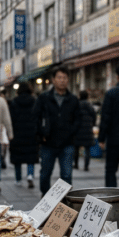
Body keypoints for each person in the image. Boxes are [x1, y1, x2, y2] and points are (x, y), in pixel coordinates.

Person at [33, 67, 80, 195]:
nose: (62, 81)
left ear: (68, 80)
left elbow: (78, 120)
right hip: (48, 142)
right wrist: (40, 134)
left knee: (66, 174)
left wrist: (72, 132)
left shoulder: (73, 99)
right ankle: (45, 198)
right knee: (45, 174)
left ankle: (65, 201)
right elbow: (35, 117)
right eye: (59, 78)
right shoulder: (44, 98)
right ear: (53, 80)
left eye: (64, 78)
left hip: (67, 143)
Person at [8, 82, 38, 188]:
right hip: (31, 133)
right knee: (31, 156)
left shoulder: (14, 102)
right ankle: (30, 175)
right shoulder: (34, 101)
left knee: (17, 158)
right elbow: (37, 117)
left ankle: (18, 179)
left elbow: (10, 119)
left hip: (17, 133)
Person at [74, 91, 96, 171]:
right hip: (87, 129)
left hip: (78, 129)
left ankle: (76, 164)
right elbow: (94, 115)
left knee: (76, 148)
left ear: (79, 96)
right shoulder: (89, 105)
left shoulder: (76, 105)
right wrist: (92, 124)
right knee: (87, 149)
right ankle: (86, 166)